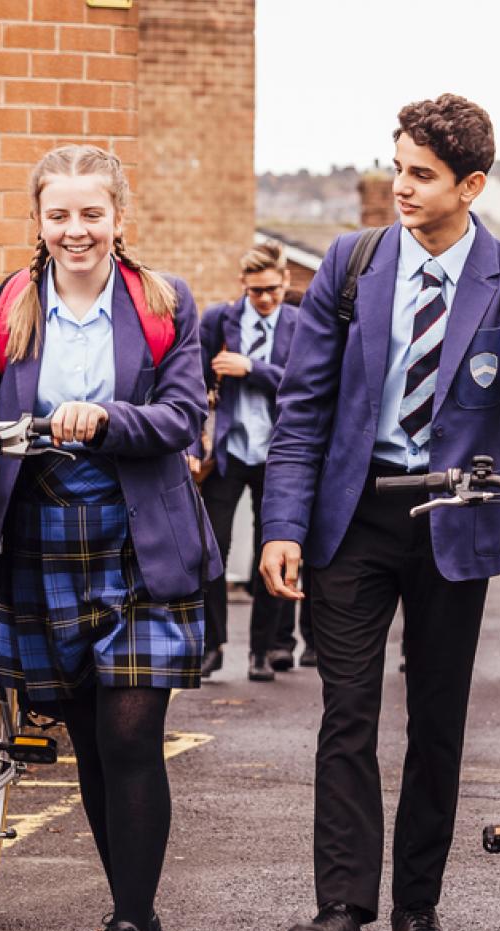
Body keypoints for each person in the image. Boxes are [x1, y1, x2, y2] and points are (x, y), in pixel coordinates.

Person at [259, 94, 500, 931]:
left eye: (421, 175)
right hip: (354, 516)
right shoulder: (351, 264)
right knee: (348, 712)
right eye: (397, 166)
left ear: (469, 186)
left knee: (438, 719)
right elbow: (302, 410)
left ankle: (417, 906)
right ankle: (341, 914)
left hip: (458, 514)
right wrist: (282, 524)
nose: (400, 186)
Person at [0, 144, 219, 931]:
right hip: (39, 539)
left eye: (91, 214)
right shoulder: (7, 305)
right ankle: (136, 911)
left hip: (138, 538)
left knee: (129, 732)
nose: (75, 230)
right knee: (88, 739)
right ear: (38, 220)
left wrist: (106, 419)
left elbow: (182, 416)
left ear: (120, 217)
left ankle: (127, 929)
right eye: (58, 215)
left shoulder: (162, 303)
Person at [192, 239, 304, 682]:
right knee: (211, 550)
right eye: (256, 290)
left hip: (278, 456)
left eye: (272, 290)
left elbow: (304, 387)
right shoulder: (219, 320)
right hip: (228, 454)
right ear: (243, 285)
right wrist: (191, 442)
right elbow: (193, 382)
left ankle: (263, 650)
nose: (264, 299)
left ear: (286, 282)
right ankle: (212, 646)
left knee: (270, 552)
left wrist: (252, 368)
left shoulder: (299, 324)